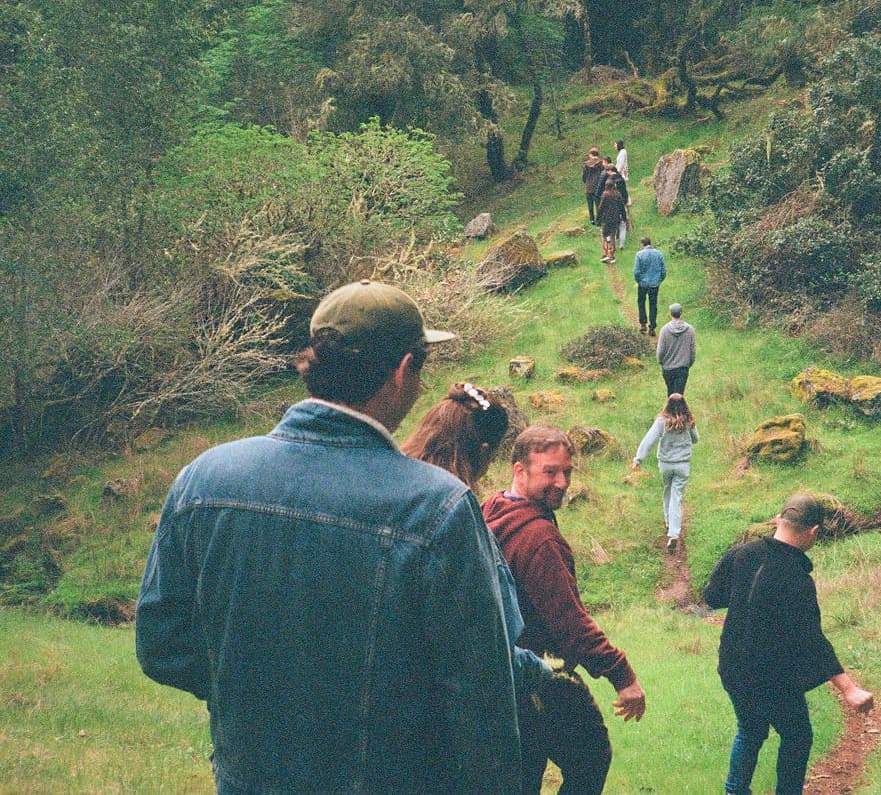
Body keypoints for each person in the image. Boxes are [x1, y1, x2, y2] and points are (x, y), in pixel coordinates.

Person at [136, 280, 521, 793]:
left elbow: (161, 645)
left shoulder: (204, 480)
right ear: (404, 370)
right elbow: (482, 695)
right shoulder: (437, 507)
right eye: (422, 368)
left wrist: (253, 695)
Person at [483, 427, 647, 795]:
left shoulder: (493, 509)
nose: (561, 482)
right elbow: (568, 621)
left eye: (567, 472)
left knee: (523, 771)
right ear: (519, 470)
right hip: (538, 673)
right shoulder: (538, 538)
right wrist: (622, 675)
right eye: (550, 471)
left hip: (498, 672)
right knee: (590, 756)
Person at [703, 492, 875, 795]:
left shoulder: (740, 554)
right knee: (797, 736)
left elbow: (712, 597)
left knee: (751, 730)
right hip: (771, 678)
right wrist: (849, 688)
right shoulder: (797, 578)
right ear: (813, 532)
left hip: (732, 669)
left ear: (778, 520)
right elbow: (812, 640)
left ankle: (734, 791)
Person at [402, 383, 551, 695]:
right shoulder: (456, 516)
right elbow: (490, 643)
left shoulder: (385, 486)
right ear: (483, 453)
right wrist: (541, 670)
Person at [630, 393, 699, 552]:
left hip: (666, 465)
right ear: (685, 405)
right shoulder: (689, 420)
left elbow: (649, 440)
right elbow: (695, 439)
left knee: (667, 491)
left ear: (667, 404)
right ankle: (674, 533)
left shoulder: (661, 421)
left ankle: (669, 523)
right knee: (677, 497)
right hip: (682, 465)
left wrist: (638, 459)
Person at [656, 302, 696, 396]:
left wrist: (661, 362)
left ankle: (670, 410)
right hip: (682, 369)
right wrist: (688, 364)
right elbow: (692, 351)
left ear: (670, 313)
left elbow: (660, 351)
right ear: (681, 313)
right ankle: (677, 411)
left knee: (670, 395)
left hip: (668, 369)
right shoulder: (690, 330)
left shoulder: (664, 330)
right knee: (679, 396)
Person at [632, 236, 666, 335]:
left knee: (641, 302)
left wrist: (639, 281)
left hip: (643, 283)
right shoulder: (659, 254)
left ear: (642, 244)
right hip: (655, 284)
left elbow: (636, 271)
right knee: (653, 304)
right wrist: (659, 280)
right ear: (650, 243)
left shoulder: (639, 254)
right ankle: (652, 327)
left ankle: (643, 324)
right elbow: (663, 270)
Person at [597, 183, 625, 264]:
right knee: (613, 236)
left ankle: (605, 254)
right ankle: (612, 256)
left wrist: (598, 218)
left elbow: (600, 207)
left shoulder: (605, 195)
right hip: (616, 219)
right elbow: (621, 207)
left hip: (606, 219)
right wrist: (623, 216)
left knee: (604, 236)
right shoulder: (617, 194)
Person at [582, 147, 606, 225]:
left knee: (590, 205)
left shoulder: (586, 164)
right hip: (598, 187)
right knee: (598, 204)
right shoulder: (601, 163)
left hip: (589, 187)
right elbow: (604, 174)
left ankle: (592, 219)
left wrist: (585, 181)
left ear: (591, 154)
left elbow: (584, 176)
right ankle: (599, 220)